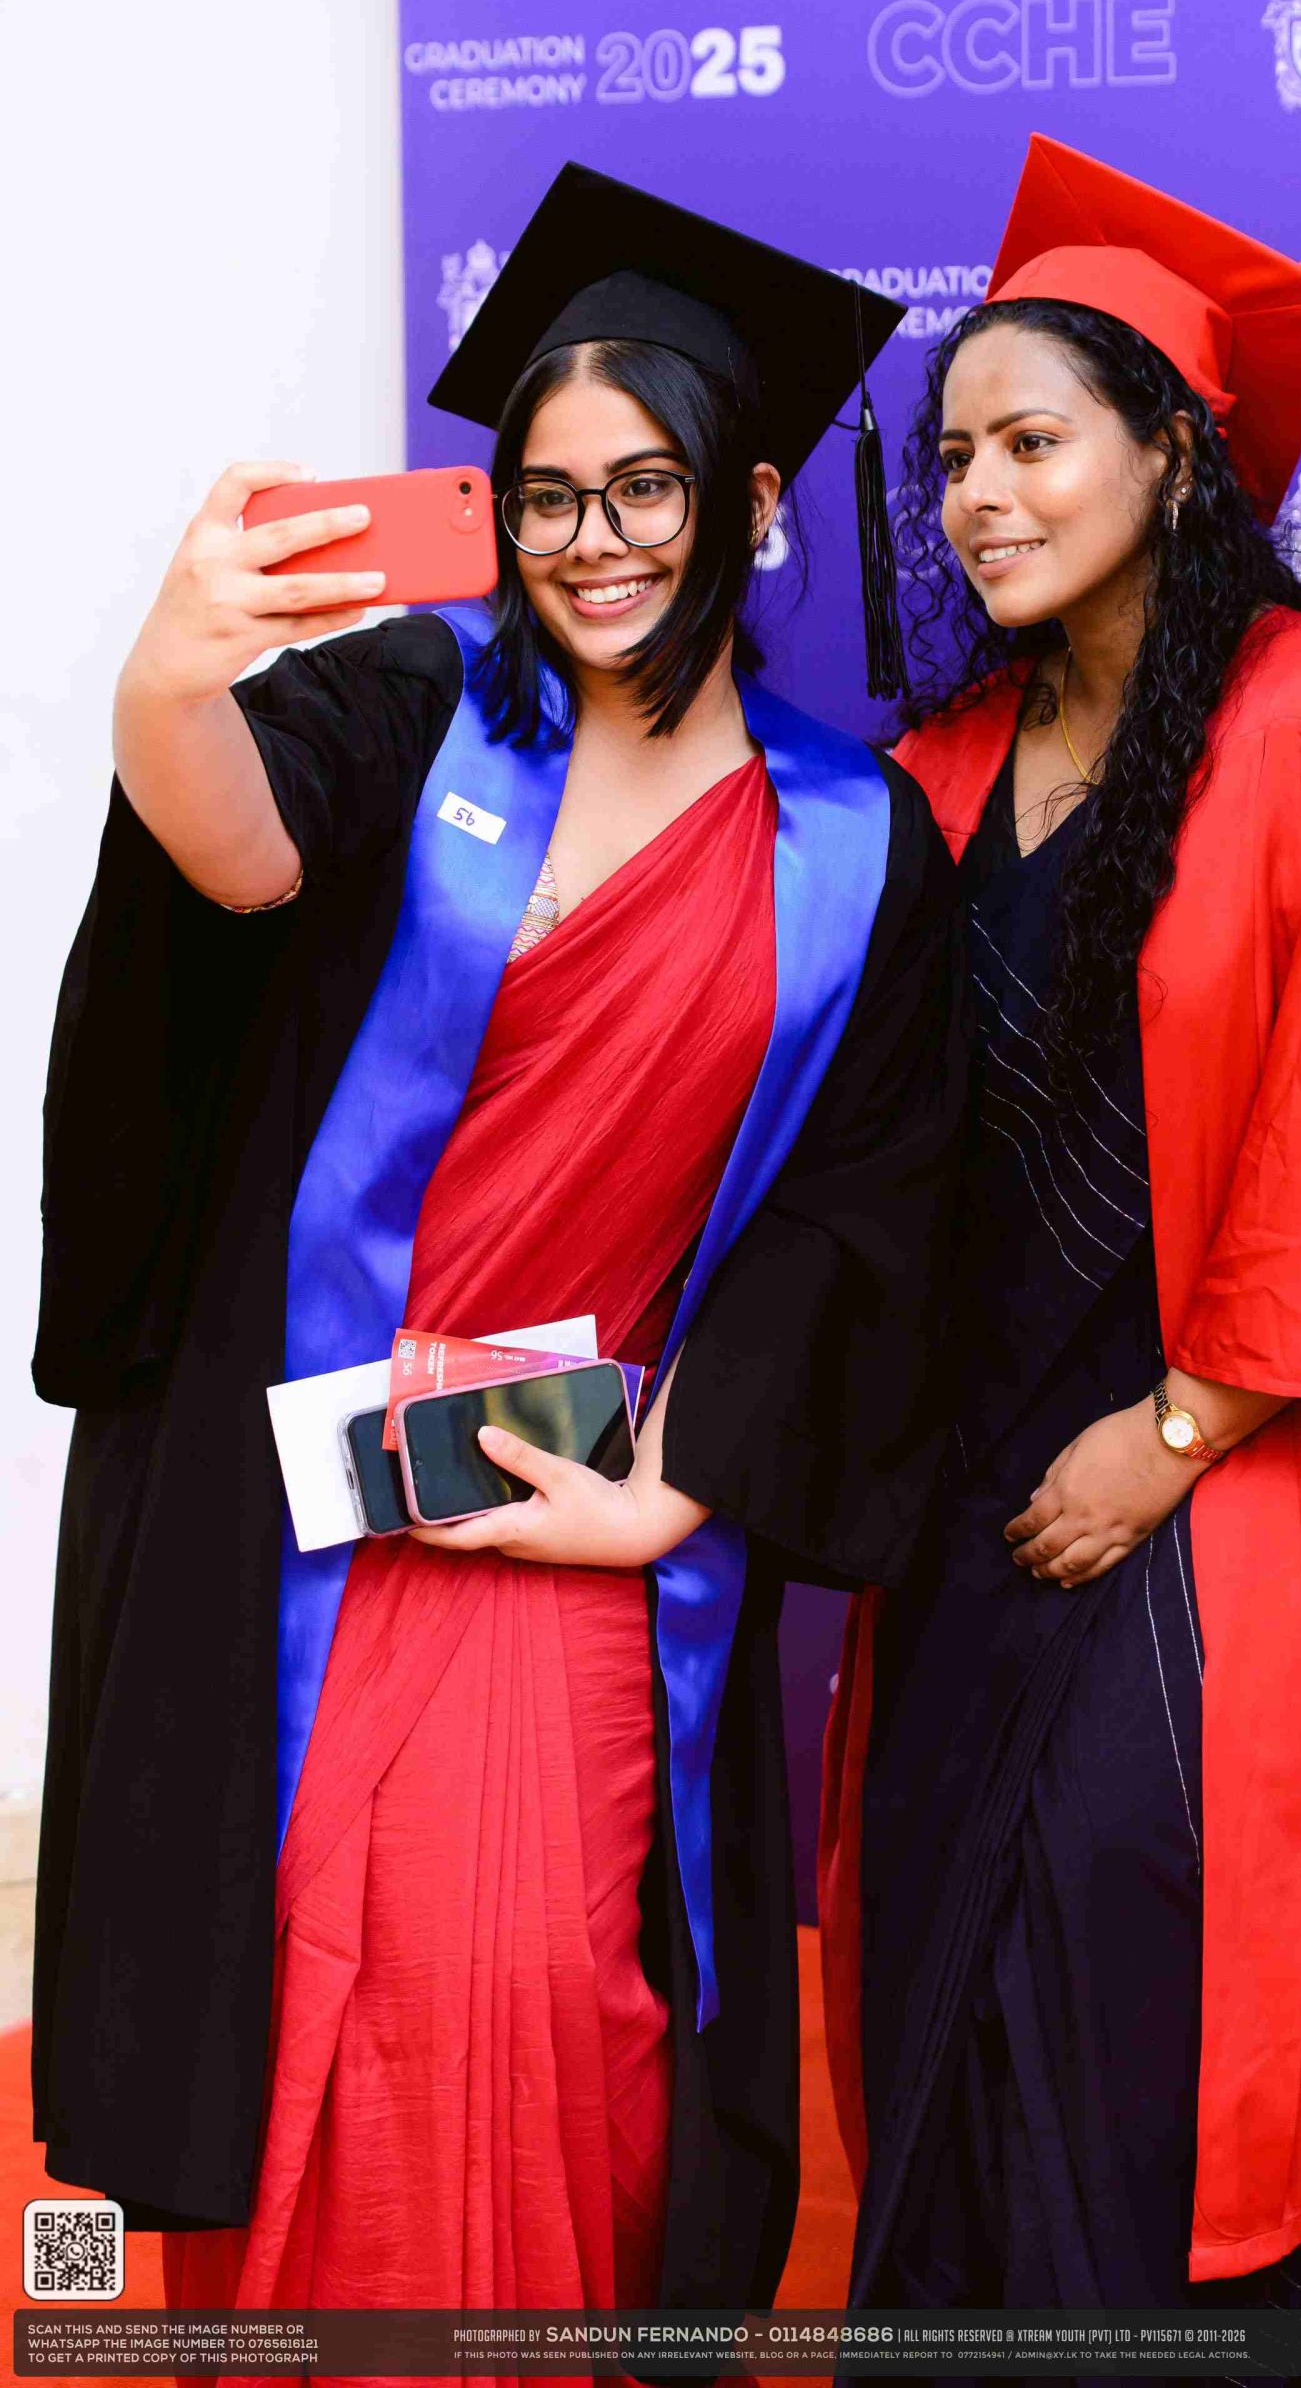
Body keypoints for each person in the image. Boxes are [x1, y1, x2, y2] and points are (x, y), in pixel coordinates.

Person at [31, 160, 966, 2335]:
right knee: (305, 1989)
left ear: (749, 506)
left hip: (574, 1507)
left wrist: (682, 1477)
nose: (591, 539)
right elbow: (237, 853)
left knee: (547, 1983)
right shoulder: (419, 701)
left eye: (646, 488)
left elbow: (868, 1210)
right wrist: (165, 690)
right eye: (545, 495)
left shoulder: (851, 839)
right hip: (316, 1504)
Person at [820, 136, 1301, 2345]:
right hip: (974, 1437)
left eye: (1035, 442)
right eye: (955, 454)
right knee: (934, 1883)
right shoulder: (949, 760)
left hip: (1228, 1442)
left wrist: (1173, 1433)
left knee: (1120, 1869)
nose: (980, 494)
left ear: (1175, 454)